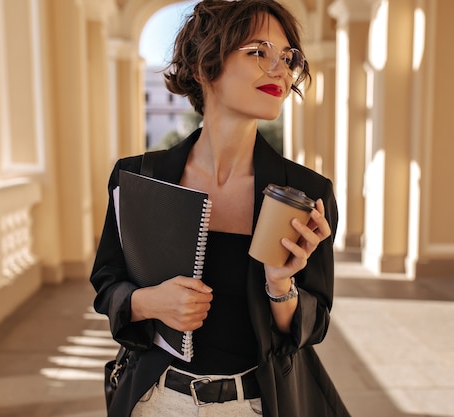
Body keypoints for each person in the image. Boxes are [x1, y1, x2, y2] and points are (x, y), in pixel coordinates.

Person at [90, 1, 351, 416]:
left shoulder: (304, 192)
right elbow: (107, 286)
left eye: (287, 57)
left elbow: (311, 326)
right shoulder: (139, 178)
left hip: (255, 404)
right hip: (156, 401)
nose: (280, 70)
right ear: (203, 65)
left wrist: (281, 286)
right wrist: (150, 302)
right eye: (257, 52)